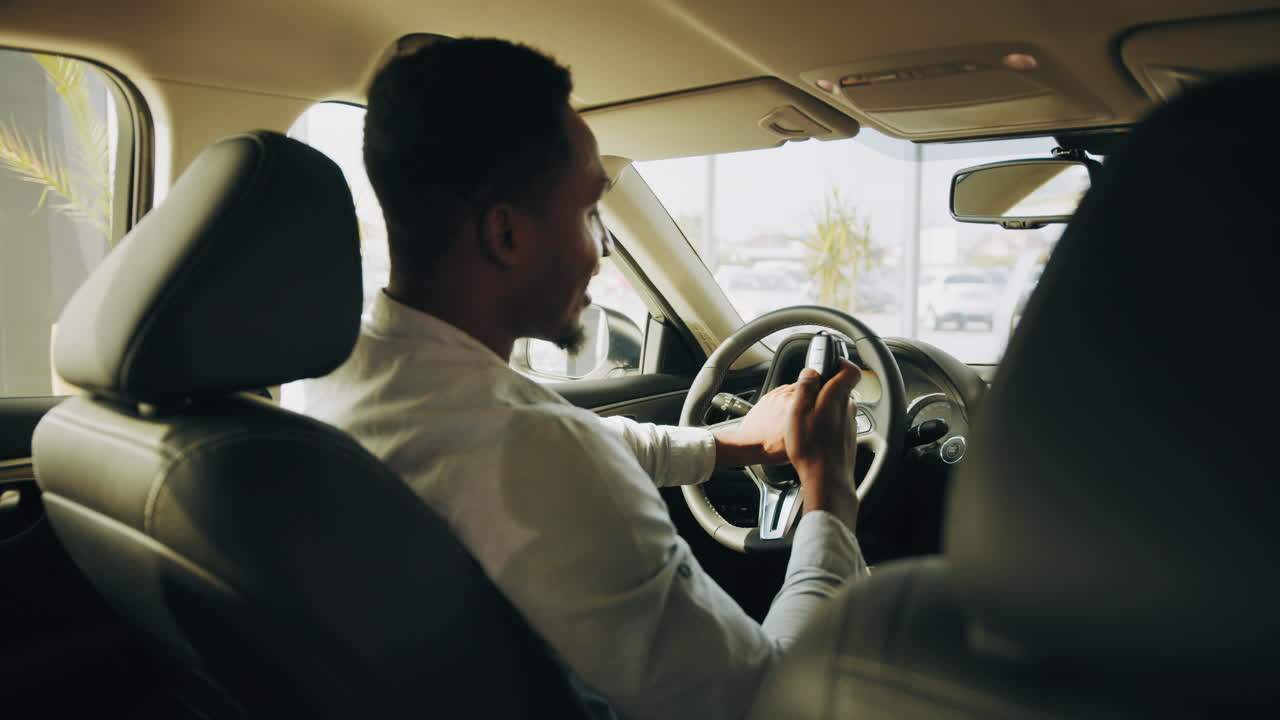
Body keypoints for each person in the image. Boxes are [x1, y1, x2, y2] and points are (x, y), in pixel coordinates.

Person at [297, 37, 868, 720]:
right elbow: (771, 703)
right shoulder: (533, 455)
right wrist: (829, 494)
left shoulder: (345, 371)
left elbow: (577, 440)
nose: (600, 248)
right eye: (589, 211)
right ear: (505, 235)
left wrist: (733, 443)